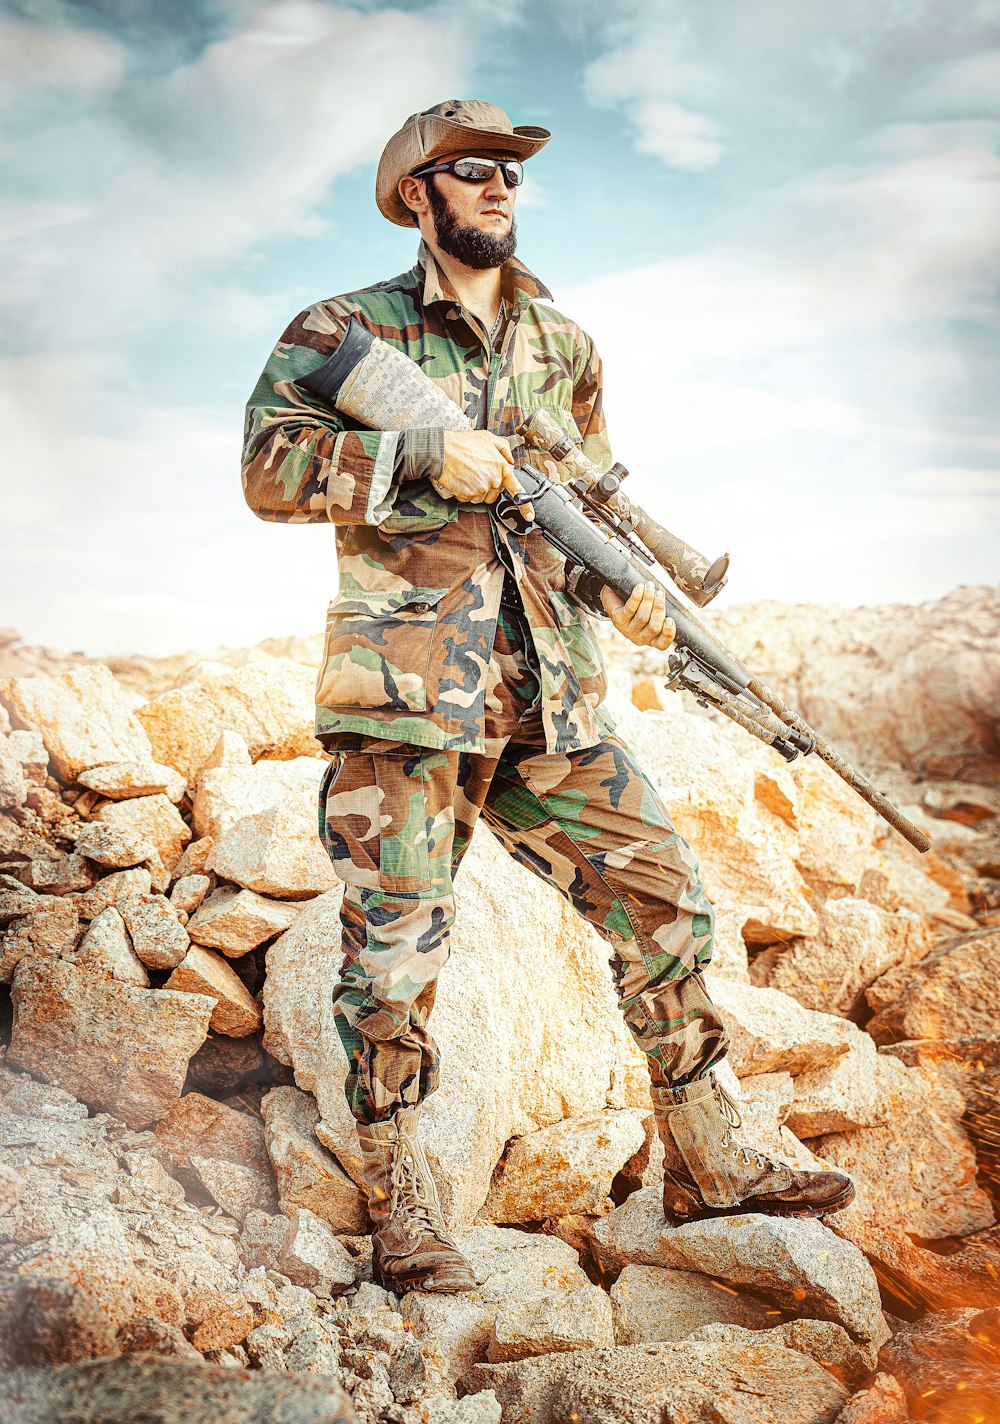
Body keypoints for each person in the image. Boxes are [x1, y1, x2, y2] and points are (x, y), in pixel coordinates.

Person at [242, 100, 854, 1294]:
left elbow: (573, 519)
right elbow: (266, 467)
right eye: (473, 172)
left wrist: (622, 603)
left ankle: (710, 1159)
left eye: (511, 173)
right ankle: (402, 1204)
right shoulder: (341, 329)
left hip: (549, 698)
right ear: (417, 193)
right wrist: (412, 455)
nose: (500, 189)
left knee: (663, 898)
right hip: (410, 698)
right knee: (394, 957)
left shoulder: (563, 347)